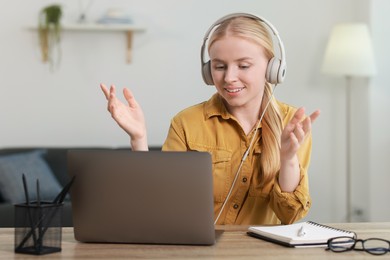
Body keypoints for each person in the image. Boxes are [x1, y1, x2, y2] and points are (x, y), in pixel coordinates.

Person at [100, 13, 320, 225]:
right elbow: (159, 204)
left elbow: (289, 215)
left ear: (273, 68)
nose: (229, 78)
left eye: (243, 66)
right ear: (208, 71)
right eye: (219, 66)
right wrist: (139, 139)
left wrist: (288, 158)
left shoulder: (291, 125)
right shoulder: (186, 122)